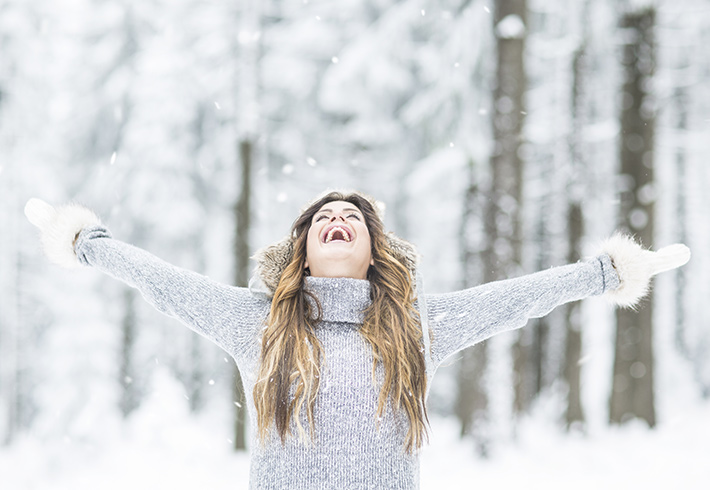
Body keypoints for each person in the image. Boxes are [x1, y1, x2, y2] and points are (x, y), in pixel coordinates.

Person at [24, 191, 690, 489]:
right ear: (305, 249)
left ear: (373, 251)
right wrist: (85, 241)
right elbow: (162, 281)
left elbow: (515, 299)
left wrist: (605, 272)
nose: (337, 219)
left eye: (351, 218)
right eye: (324, 218)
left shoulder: (413, 327)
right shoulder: (257, 321)